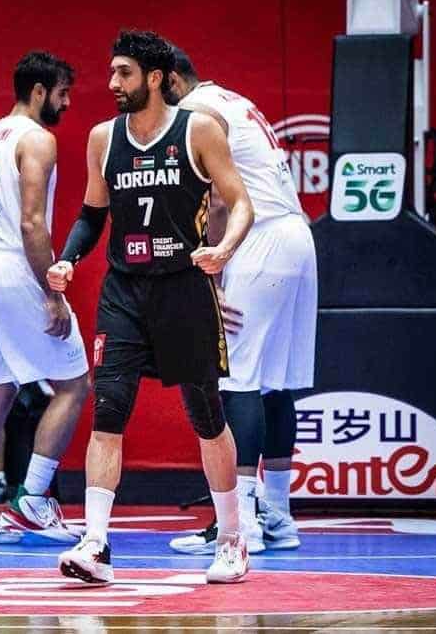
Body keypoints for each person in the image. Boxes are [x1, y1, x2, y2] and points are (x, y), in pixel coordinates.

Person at [47, 31, 254, 584]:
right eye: (112, 72)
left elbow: (241, 203)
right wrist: (67, 259)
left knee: (206, 415)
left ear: (155, 78)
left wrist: (224, 249)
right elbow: (92, 215)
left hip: (183, 287)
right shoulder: (102, 138)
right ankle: (96, 545)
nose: (112, 83)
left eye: (124, 73)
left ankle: (233, 539)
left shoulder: (198, 130)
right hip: (125, 291)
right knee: (108, 411)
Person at [163, 45, 315, 556]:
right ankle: (279, 516)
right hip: (296, 236)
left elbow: (219, 202)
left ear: (173, 82)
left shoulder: (194, 112)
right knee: (274, 383)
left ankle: (242, 523)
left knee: (238, 380)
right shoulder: (235, 100)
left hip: (261, 238)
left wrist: (212, 277)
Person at [0, 51, 90, 544]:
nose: (66, 103)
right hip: (13, 266)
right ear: (39, 91)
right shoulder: (37, 139)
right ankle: (33, 497)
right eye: (62, 93)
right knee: (74, 384)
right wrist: (53, 293)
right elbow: (32, 223)